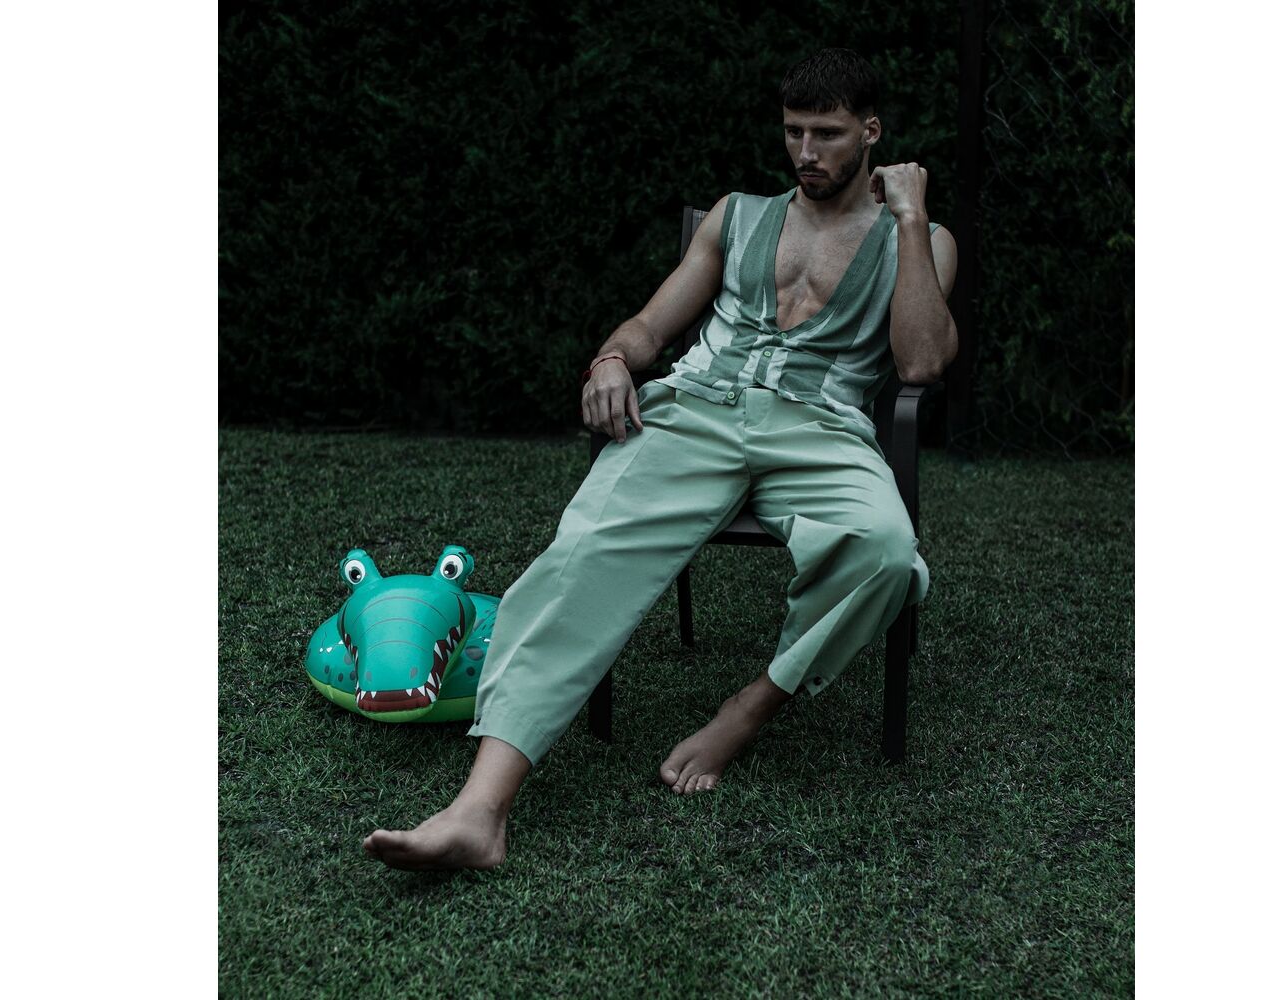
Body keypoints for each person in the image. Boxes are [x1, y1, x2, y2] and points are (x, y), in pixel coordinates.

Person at [363, 48, 958, 871]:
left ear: (872, 133)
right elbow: (648, 327)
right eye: (793, 132)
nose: (806, 152)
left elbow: (922, 362)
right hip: (697, 411)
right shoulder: (736, 216)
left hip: (821, 429)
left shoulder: (920, 239)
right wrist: (611, 360)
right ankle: (479, 812)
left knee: (887, 552)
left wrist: (913, 219)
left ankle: (747, 710)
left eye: (826, 134)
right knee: (582, 553)